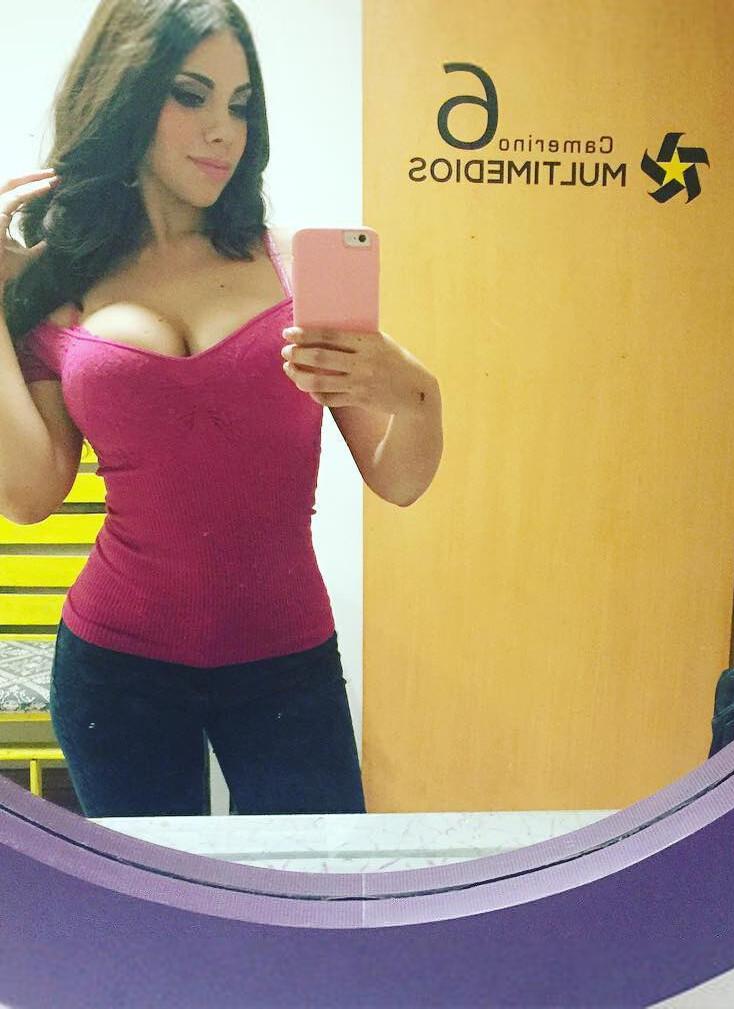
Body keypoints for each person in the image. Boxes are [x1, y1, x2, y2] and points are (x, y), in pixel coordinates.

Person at [0, 0, 443, 818]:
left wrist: (419, 395)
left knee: (317, 887)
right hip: (116, 666)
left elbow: (399, 479)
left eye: (241, 105)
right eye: (191, 95)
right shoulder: (59, 281)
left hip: (286, 664)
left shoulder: (293, 267)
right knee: (154, 898)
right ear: (126, 93)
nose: (223, 131)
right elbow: (29, 494)